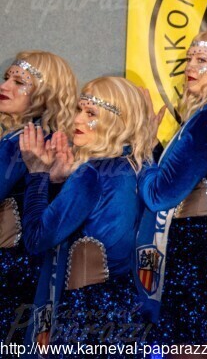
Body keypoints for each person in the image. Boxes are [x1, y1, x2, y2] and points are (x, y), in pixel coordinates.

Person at [135, 27, 207, 356]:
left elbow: (160, 194)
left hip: (200, 250)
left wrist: (142, 150)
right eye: (189, 59)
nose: (190, 67)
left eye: (202, 60)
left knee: (191, 345)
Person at [20, 76, 153, 357]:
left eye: (91, 113)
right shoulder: (140, 165)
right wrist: (57, 182)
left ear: (117, 120)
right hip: (127, 305)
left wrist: (37, 174)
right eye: (79, 109)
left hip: (85, 313)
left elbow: (36, 239)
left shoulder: (91, 174)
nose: (77, 119)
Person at [0, 51, 76, 345]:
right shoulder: (48, 137)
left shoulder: (24, 139)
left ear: (45, 94)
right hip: (31, 270)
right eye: (7, 78)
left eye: (19, 82)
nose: (5, 86)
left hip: (11, 271)